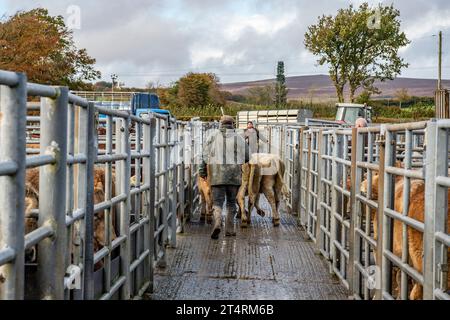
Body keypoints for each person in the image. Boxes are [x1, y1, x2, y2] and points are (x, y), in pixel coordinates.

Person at [199, 115, 248, 239]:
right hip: (234, 176)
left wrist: (202, 172)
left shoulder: (212, 136)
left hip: (216, 175)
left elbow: (204, 156)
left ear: (220, 123)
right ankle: (230, 230)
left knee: (217, 202)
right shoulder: (239, 137)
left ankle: (217, 223)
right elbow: (248, 156)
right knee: (231, 203)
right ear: (233, 124)